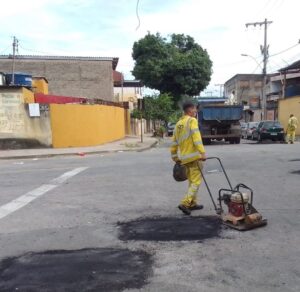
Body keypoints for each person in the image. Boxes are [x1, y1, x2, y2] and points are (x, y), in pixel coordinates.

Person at [170, 101, 206, 215]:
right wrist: (202, 153)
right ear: (190, 110)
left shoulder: (178, 124)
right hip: (195, 157)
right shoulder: (192, 121)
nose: (196, 111)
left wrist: (175, 157)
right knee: (196, 181)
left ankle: (192, 203)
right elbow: (197, 138)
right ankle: (185, 203)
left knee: (192, 181)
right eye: (195, 109)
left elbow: (174, 143)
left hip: (185, 158)